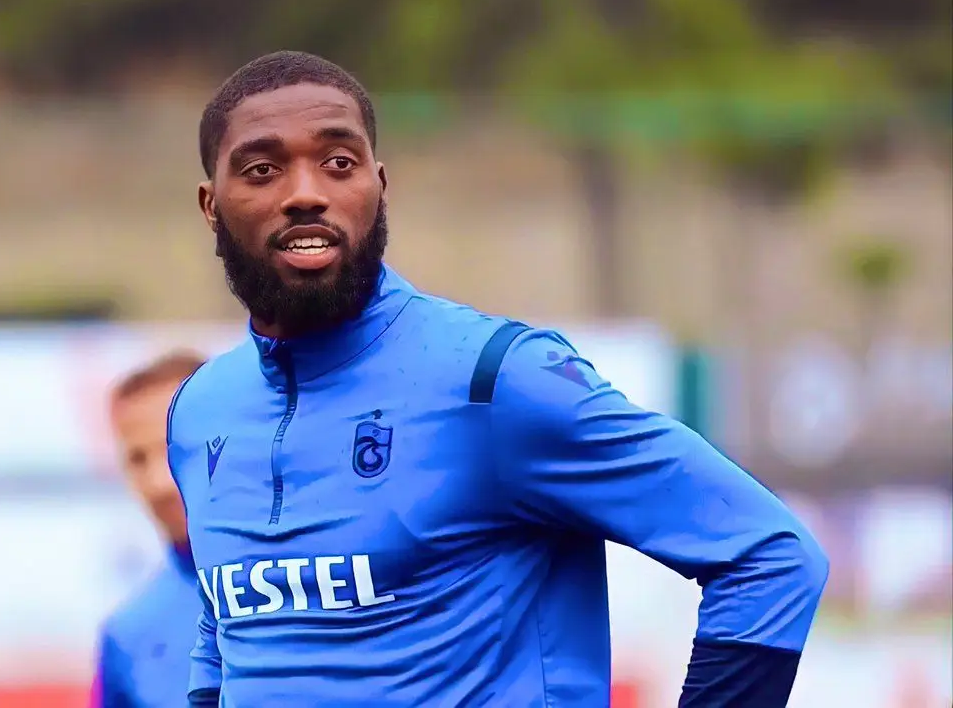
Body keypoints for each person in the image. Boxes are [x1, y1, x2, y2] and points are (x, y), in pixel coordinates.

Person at [166, 50, 829, 707]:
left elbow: (769, 556)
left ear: (379, 185)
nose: (306, 193)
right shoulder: (200, 410)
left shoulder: (496, 379)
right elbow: (222, 636)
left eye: (339, 163)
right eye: (262, 170)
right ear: (211, 205)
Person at [93, 351, 206, 708]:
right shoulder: (128, 634)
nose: (159, 483)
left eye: (175, 448)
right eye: (138, 458)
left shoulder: (325, 579)